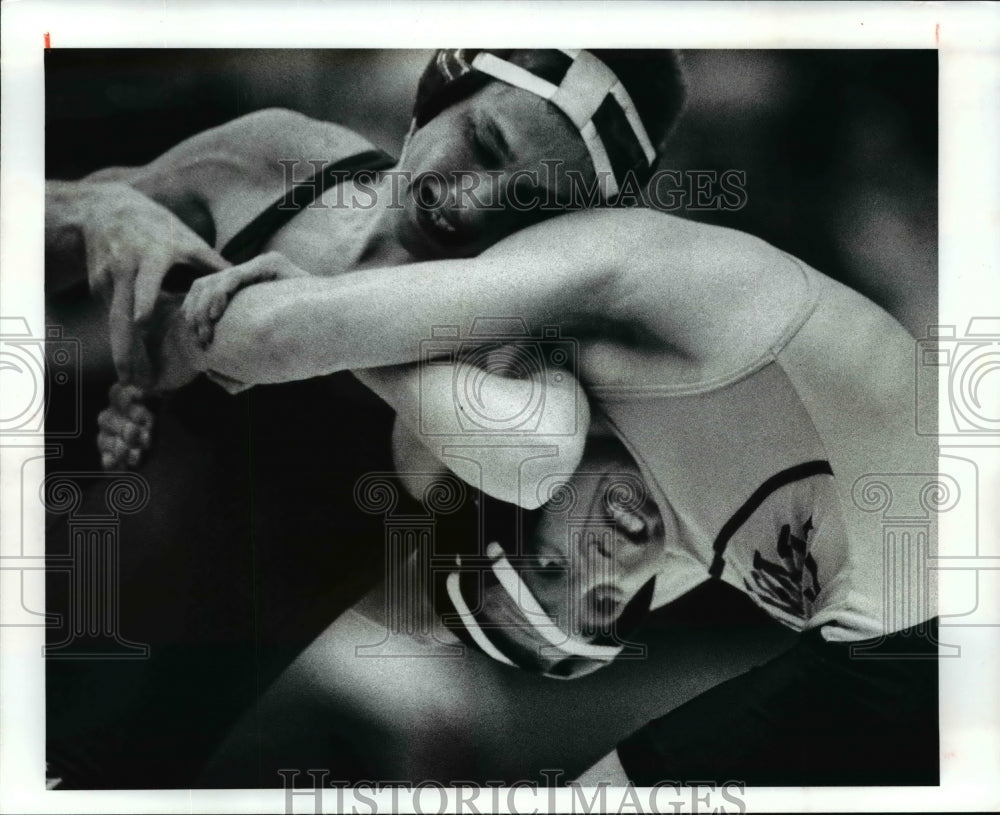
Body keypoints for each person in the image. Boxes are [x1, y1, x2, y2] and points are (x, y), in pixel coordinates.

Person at [90, 50, 938, 786]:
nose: (602, 569)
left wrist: (185, 329)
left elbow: (490, 441)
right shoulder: (671, 503)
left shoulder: (606, 272)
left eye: (549, 564)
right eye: (607, 603)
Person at [46, 49, 698, 787]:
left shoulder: (509, 362)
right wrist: (97, 212)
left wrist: (299, 329)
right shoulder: (281, 161)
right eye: (484, 145)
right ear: (440, 91)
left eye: (531, 204)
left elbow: (531, 467)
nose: (476, 199)